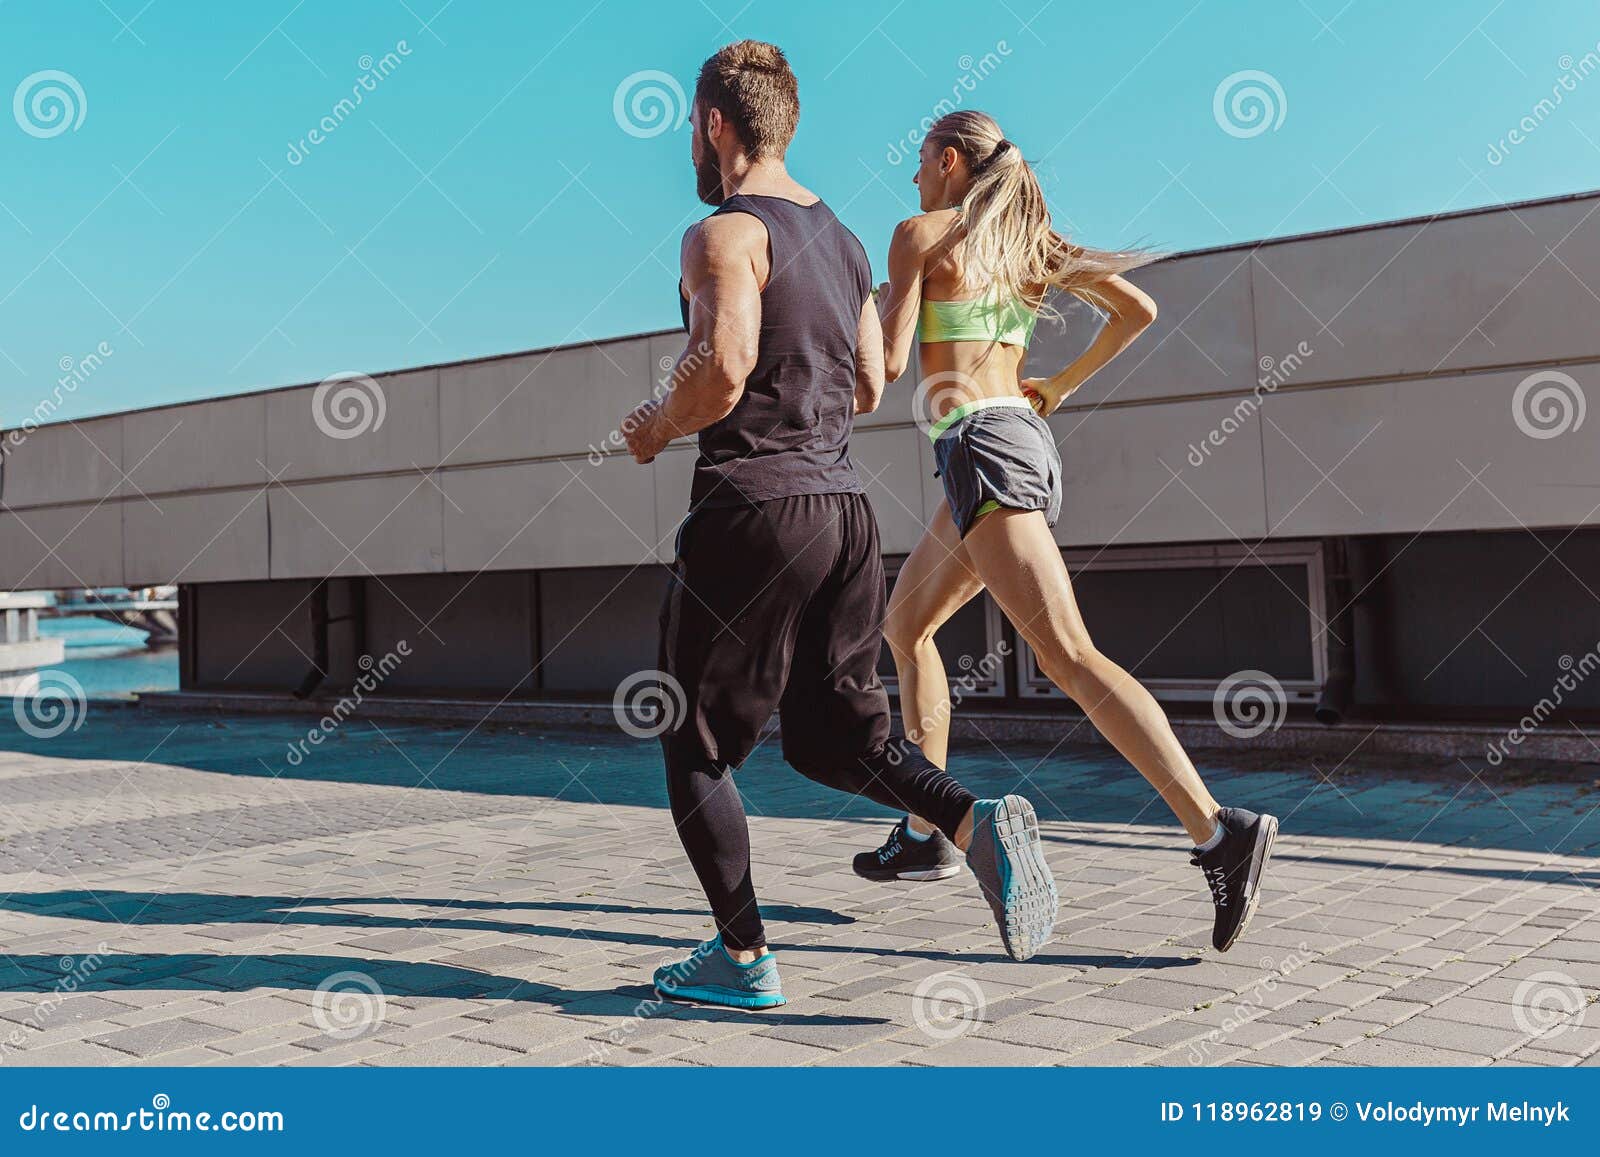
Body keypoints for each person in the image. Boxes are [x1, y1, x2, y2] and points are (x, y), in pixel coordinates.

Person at [621, 44, 1059, 1009]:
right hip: (844, 514)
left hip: (750, 505)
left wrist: (654, 427)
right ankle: (972, 820)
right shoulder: (844, 240)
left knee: (692, 742)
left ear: (712, 125)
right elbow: (868, 382)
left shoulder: (723, 235)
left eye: (692, 127)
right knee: (833, 736)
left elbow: (726, 367)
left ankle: (743, 962)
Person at [850, 110, 1277, 954]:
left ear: (947, 160)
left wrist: (861, 305)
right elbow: (1139, 310)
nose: (911, 181)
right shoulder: (1028, 245)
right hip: (1013, 441)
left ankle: (1218, 832)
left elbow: (890, 363)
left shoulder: (920, 234)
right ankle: (929, 829)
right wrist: (1064, 386)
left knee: (1068, 655)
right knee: (906, 625)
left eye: (918, 164)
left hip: (980, 448)